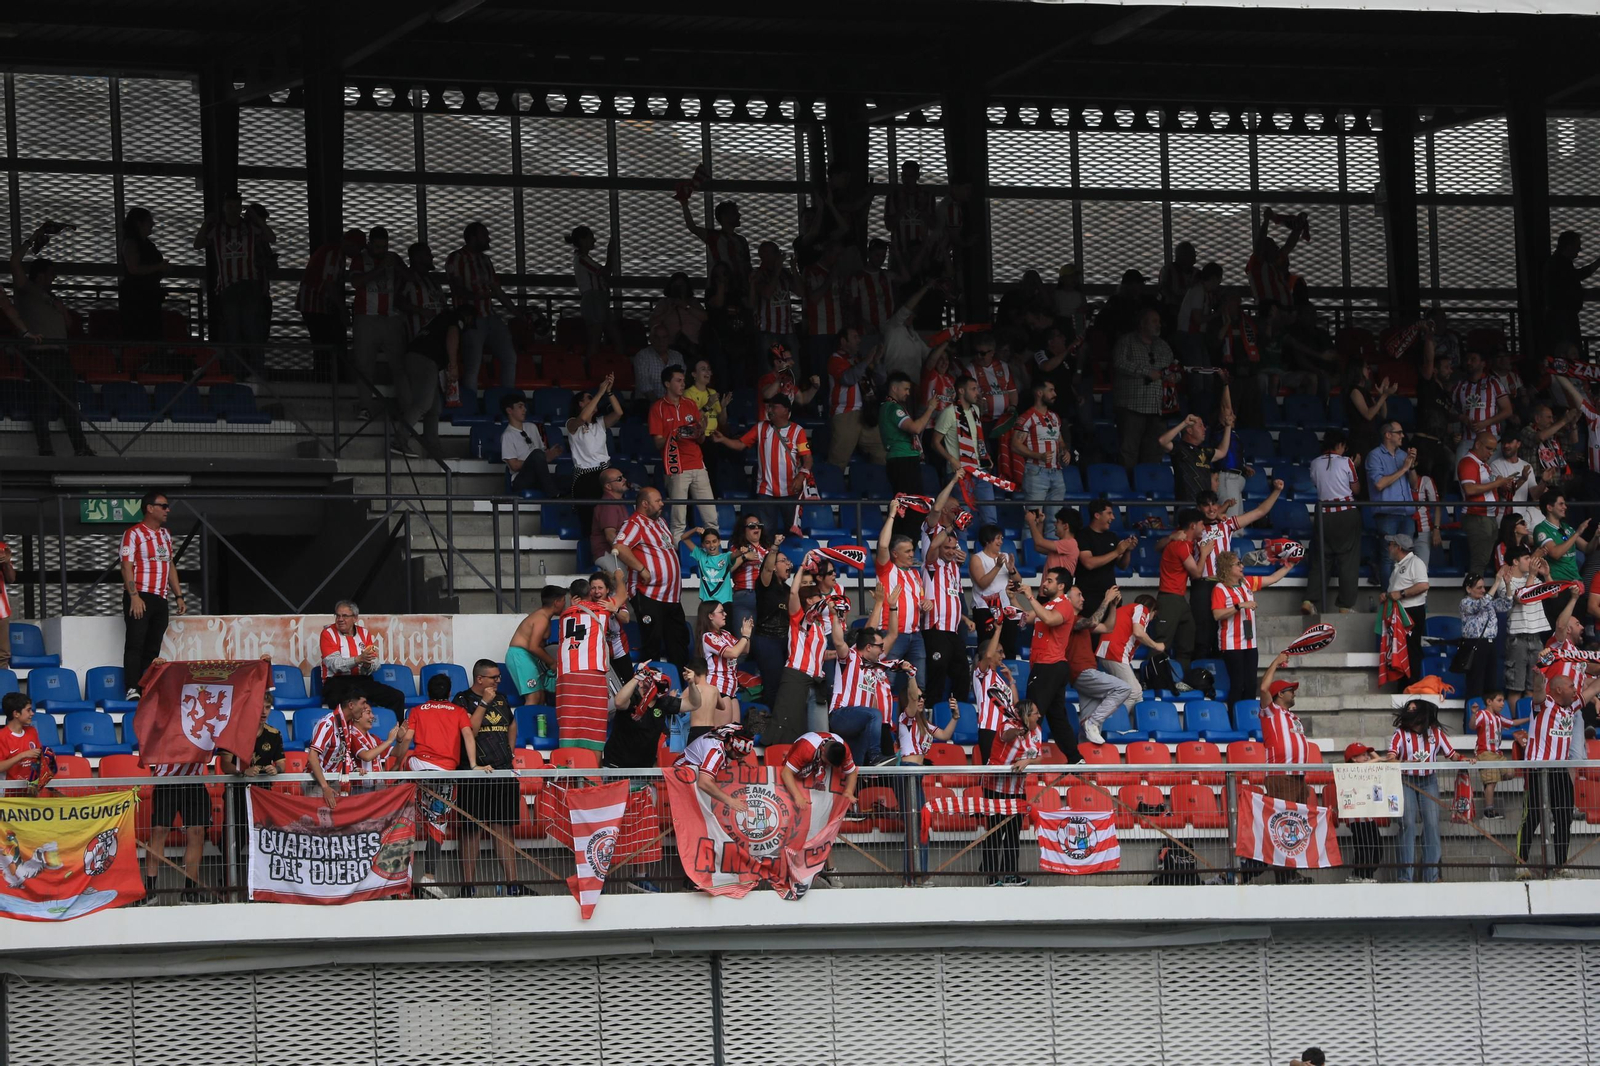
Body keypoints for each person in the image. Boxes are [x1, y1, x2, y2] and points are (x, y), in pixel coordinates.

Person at [10, 226, 93, 456]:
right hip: (40, 354)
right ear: (40, 275)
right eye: (50, 273)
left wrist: (63, 311)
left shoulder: (54, 298)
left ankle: (81, 448)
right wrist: (31, 240)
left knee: (69, 403)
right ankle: (45, 449)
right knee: (42, 402)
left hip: (61, 355)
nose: (54, 278)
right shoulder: (27, 290)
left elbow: (69, 326)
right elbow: (14, 263)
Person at [395, 673, 481, 897]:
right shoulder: (459, 711)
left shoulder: (417, 711)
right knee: (437, 825)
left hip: (418, 769)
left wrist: (396, 767)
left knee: (404, 821)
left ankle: (399, 878)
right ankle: (429, 876)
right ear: (449, 693)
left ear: (428, 692)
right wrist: (473, 765)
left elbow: (406, 740)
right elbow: (469, 737)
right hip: (445, 773)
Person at [1379, 698, 1471, 884]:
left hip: (1429, 781)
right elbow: (1390, 758)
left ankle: (1432, 876)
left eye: (1414, 710)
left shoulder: (1435, 733)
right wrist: (1404, 763)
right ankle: (1405, 877)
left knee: (1432, 825)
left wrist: (1466, 759)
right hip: (1406, 782)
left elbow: (1452, 754)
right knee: (1407, 824)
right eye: (1409, 709)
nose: (1410, 712)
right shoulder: (1400, 734)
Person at [1191, 485, 1284, 658]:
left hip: (1223, 584)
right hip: (1202, 585)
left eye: (1214, 504)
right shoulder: (1194, 528)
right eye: (1206, 505)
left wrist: (1277, 491)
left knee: (1223, 631)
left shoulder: (1226, 525)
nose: (1211, 508)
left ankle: (1220, 676)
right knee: (1202, 634)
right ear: (1198, 508)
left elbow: (1259, 512)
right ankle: (1200, 675)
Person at [453, 660, 520, 895]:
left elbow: (512, 724)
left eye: (499, 677)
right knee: (471, 830)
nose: (498, 681)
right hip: (475, 773)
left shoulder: (502, 698)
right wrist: (483, 703)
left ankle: (513, 884)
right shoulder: (461, 700)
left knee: (503, 829)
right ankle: (468, 886)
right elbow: (470, 731)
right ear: (480, 679)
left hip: (502, 770)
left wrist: (510, 752)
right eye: (494, 677)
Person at [714, 393, 812, 535]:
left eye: (774, 407)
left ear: (786, 410)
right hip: (766, 490)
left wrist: (802, 476)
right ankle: (767, 557)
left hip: (791, 490)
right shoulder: (760, 428)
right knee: (766, 532)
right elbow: (740, 444)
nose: (769, 410)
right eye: (769, 407)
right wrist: (723, 439)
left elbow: (807, 459)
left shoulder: (798, 431)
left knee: (792, 531)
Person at [193, 191, 274, 364]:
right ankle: (235, 373)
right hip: (228, 287)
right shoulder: (217, 230)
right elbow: (197, 244)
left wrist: (255, 218)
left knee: (252, 331)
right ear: (223, 208)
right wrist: (206, 222)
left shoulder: (249, 228)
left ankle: (255, 373)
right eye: (229, 206)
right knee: (233, 333)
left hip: (249, 285)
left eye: (236, 206)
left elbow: (271, 238)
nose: (232, 210)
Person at [554, 569, 629, 752]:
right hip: (591, 671)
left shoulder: (563, 616)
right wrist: (619, 578)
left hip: (566, 675)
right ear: (590, 594)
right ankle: (593, 776)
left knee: (569, 727)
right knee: (594, 729)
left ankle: (568, 774)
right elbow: (622, 594)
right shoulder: (601, 608)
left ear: (572, 596)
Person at [614, 487, 689, 670]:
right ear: (644, 504)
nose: (662, 504)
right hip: (648, 594)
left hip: (671, 597)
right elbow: (619, 547)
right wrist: (641, 569)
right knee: (652, 644)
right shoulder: (634, 524)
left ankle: (678, 687)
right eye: (658, 501)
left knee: (679, 643)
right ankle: (652, 692)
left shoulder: (661, 521)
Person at [769, 557, 842, 742]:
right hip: (796, 677)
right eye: (819, 596)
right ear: (809, 600)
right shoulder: (799, 618)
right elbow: (793, 594)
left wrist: (839, 652)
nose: (823, 599)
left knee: (821, 735)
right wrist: (802, 567)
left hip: (817, 683)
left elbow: (819, 655)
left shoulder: (818, 626)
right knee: (789, 731)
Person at [120, 490, 184, 699]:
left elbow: (170, 565)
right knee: (135, 642)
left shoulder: (165, 535)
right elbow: (126, 566)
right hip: (141, 595)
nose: (168, 510)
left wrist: (179, 595)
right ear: (150, 508)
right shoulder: (134, 533)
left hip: (160, 596)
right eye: (163, 506)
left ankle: (146, 686)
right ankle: (132, 688)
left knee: (154, 645)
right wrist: (134, 596)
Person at [1213, 551, 1295, 709]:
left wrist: (1289, 565)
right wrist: (1239, 606)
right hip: (1231, 644)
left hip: (1249, 643)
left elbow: (1272, 579)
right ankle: (1234, 721)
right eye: (1238, 564)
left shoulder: (1246, 583)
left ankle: (1248, 718)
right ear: (1227, 568)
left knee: (1250, 685)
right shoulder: (1220, 588)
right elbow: (1217, 614)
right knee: (1238, 685)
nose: (1242, 566)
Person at [1008, 568, 1077, 757]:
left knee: (1032, 713)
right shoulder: (1047, 605)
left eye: (1050, 581)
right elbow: (1026, 617)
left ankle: (1027, 756)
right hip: (1048, 665)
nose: (1045, 583)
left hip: (1049, 665)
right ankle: (1075, 758)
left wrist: (1030, 597)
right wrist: (1014, 599)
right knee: (1057, 717)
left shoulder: (1064, 604)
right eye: (1045, 580)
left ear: (1061, 586)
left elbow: (1049, 620)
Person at [445, 221, 520, 390]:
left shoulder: (486, 260)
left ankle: (508, 399)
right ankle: (470, 404)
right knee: (473, 364)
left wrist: (516, 312)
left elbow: (497, 290)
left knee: (510, 357)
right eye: (484, 235)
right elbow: (455, 287)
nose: (488, 239)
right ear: (472, 238)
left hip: (490, 316)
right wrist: (474, 297)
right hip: (471, 320)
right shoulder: (457, 258)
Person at [393, 302, 472, 460]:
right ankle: (398, 440)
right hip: (425, 359)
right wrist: (454, 365)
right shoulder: (456, 318)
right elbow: (453, 333)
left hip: (418, 358)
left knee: (434, 408)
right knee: (423, 404)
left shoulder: (439, 318)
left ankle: (433, 450)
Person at [1062, 580, 1133, 748]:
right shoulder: (1068, 619)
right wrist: (1106, 600)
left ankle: (1085, 766)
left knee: (1090, 734)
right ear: (1067, 599)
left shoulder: (1080, 620)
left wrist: (1113, 606)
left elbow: (1108, 628)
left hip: (1085, 672)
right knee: (1124, 688)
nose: (1083, 599)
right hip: (1082, 671)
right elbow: (1093, 622)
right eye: (1078, 595)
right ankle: (1093, 722)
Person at [649, 366, 717, 540]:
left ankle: (715, 558)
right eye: (678, 380)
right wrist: (675, 434)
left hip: (698, 464)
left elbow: (700, 440)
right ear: (667, 384)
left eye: (683, 380)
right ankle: (677, 558)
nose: (683, 384)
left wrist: (701, 431)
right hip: (676, 467)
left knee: (711, 518)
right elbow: (657, 443)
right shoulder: (658, 408)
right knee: (678, 520)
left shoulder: (690, 404)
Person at [981, 699, 1043, 887]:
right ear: (1025, 715)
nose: (1039, 716)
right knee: (994, 832)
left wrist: (1027, 762)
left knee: (1012, 834)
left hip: (1017, 790)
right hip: (995, 788)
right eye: (1035, 713)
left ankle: (1010, 874)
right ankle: (991, 876)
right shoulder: (1007, 725)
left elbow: (1039, 757)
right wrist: (1018, 732)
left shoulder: (1037, 732)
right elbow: (1005, 736)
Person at [1302, 430, 1361, 615]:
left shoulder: (1315, 463)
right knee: (1348, 560)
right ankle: (1345, 605)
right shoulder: (1346, 462)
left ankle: (1309, 600)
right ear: (1340, 445)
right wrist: (1355, 465)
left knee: (1320, 558)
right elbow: (1356, 489)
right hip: (1345, 513)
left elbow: (1316, 484)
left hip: (1323, 514)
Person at [872, 504, 928, 695]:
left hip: (916, 635)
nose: (912, 554)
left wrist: (926, 604)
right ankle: (887, 722)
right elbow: (882, 545)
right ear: (894, 554)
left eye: (913, 550)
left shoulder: (915, 574)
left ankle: (915, 723)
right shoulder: (887, 569)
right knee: (887, 681)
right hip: (890, 633)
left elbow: (921, 600)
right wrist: (892, 515)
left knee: (919, 685)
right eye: (907, 551)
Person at [829, 627, 904, 767]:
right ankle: (875, 755)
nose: (882, 650)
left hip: (860, 725)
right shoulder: (851, 656)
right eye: (880, 646)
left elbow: (872, 706)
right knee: (875, 714)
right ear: (868, 647)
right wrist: (834, 616)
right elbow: (839, 642)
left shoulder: (873, 669)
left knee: (856, 768)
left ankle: (856, 782)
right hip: (840, 715)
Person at [1151, 508, 1214, 672]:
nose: (1204, 528)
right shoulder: (1180, 544)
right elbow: (1197, 573)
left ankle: (1181, 677)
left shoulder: (1181, 538)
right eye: (1201, 524)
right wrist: (1205, 553)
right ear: (1193, 526)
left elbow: (1158, 546)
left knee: (1188, 636)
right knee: (1162, 642)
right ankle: (1153, 679)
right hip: (1169, 598)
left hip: (1179, 598)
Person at [348, 226, 408, 397]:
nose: (381, 251)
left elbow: (410, 277)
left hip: (391, 318)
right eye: (377, 247)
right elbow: (356, 282)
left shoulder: (393, 258)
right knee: (364, 365)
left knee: (400, 365)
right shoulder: (360, 258)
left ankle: (405, 406)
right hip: (366, 318)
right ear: (369, 244)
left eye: (385, 247)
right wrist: (381, 268)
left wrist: (397, 266)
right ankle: (365, 407)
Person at [317, 600, 404, 715]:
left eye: (345, 616)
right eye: (337, 615)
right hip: (336, 682)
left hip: (362, 680)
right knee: (343, 701)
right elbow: (334, 665)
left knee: (397, 697)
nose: (340, 619)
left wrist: (367, 665)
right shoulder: (328, 633)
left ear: (355, 618)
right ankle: (344, 732)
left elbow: (375, 662)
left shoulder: (364, 633)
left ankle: (396, 731)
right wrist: (358, 659)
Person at [1458, 431, 1525, 579]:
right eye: (1488, 448)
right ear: (1477, 444)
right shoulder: (1468, 462)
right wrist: (1497, 483)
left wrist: (1503, 484)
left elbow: (1495, 490)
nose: (1491, 453)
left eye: (1493, 450)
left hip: (1488, 517)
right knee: (1479, 561)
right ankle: (1473, 599)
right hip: (1477, 516)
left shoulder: (1484, 466)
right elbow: (1469, 489)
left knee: (1484, 560)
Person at [1112, 306, 1171, 473]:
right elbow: (1119, 363)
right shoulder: (1127, 341)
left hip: (1158, 406)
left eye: (1159, 322)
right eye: (1154, 321)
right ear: (1142, 324)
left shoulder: (1163, 345)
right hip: (1132, 404)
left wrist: (1174, 376)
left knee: (1155, 449)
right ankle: (1129, 484)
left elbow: (1173, 367)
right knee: (1129, 448)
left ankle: (1149, 483)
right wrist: (1146, 372)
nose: (1158, 325)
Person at [566, 378, 625, 547]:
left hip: (605, 473)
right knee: (591, 518)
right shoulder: (571, 423)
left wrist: (609, 392)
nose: (594, 400)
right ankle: (596, 555)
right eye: (588, 398)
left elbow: (619, 412)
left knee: (613, 515)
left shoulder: (600, 422)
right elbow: (583, 417)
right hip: (586, 476)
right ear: (579, 403)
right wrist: (600, 391)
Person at [880, 370, 937, 539]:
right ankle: (907, 548)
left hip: (901, 460)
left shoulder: (888, 407)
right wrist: (931, 408)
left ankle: (900, 547)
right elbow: (915, 428)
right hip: (903, 461)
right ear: (894, 388)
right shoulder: (893, 408)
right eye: (905, 389)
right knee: (914, 507)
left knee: (904, 507)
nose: (908, 393)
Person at [921, 520, 970, 705]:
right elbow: (933, 544)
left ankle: (959, 710)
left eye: (952, 547)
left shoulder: (955, 567)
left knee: (962, 670)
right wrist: (950, 527)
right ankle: (931, 708)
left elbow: (953, 598)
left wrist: (964, 618)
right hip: (935, 627)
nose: (950, 551)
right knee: (937, 668)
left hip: (953, 630)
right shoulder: (932, 565)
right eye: (946, 547)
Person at [296, 227, 364, 359]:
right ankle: (327, 374)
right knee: (325, 344)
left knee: (321, 344)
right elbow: (330, 284)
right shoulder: (334, 254)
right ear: (352, 245)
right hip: (315, 304)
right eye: (359, 247)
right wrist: (342, 308)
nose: (359, 252)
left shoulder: (333, 251)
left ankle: (324, 374)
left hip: (312, 303)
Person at [1533, 490, 1595, 628]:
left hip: (1575, 586)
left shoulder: (1567, 528)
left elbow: (1587, 548)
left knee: (1577, 631)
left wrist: (1596, 537)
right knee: (1560, 630)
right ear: (1549, 507)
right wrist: (1578, 532)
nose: (1565, 507)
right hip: (1558, 587)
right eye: (1561, 504)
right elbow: (1555, 553)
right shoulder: (1541, 529)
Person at [1366, 423, 1417, 591]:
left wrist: (1412, 466)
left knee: (1407, 557)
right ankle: (1388, 598)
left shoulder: (1404, 455)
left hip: (1406, 513)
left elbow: (1414, 485)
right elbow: (1379, 484)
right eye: (1399, 433)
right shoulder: (1374, 456)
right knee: (1388, 558)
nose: (1402, 436)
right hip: (1387, 513)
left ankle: (1405, 595)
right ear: (1388, 435)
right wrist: (1403, 468)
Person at [603, 662, 682, 769]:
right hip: (617, 766)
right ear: (641, 683)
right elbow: (618, 702)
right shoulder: (632, 697)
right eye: (652, 681)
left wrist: (691, 684)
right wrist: (637, 676)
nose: (655, 685)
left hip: (643, 769)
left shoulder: (663, 703)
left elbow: (694, 704)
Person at [826, 328, 886, 465]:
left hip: (866, 414)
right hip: (845, 414)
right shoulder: (835, 359)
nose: (859, 340)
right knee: (838, 461)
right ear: (843, 341)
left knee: (881, 451)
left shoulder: (858, 359)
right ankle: (832, 485)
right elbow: (848, 379)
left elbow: (881, 379)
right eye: (854, 337)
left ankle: (877, 484)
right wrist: (867, 360)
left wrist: (876, 361)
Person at [1095, 588, 1162, 712]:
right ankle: (1118, 725)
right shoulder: (1142, 609)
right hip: (1116, 652)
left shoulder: (1124, 610)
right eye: (1154, 615)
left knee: (1137, 693)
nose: (1151, 619)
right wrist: (1156, 645)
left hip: (1105, 652)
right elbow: (1138, 632)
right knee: (1132, 692)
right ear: (1152, 610)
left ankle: (1138, 725)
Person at [1502, 546, 1554, 705]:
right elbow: (1523, 598)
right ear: (1515, 561)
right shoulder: (1506, 581)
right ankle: (1516, 723)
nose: (1531, 561)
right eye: (1526, 558)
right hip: (1518, 639)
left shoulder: (1535, 579)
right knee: (1516, 687)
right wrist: (1532, 574)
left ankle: (1529, 723)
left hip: (1536, 637)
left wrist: (1547, 575)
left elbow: (1554, 593)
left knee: (1533, 687)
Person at [1074, 499, 1138, 619]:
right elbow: (1089, 563)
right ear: (1097, 515)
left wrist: (1127, 550)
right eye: (1109, 513)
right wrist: (1117, 551)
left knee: (1112, 635)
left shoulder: (1112, 536)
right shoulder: (1083, 535)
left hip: (1111, 597)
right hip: (1088, 598)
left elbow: (1123, 565)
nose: (1113, 517)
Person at [1470, 691, 1527, 820]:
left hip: (1497, 753)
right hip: (1485, 753)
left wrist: (1531, 717)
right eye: (1499, 700)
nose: (1503, 704)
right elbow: (1473, 726)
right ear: (1489, 702)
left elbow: (1513, 723)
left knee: (1510, 773)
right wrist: (1473, 714)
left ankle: (1489, 780)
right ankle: (1488, 811)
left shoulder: (1498, 717)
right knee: (1492, 782)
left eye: (1503, 701)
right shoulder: (1482, 714)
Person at [1382, 534, 1430, 686]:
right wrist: (1388, 596)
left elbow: (1423, 585)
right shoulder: (1399, 565)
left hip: (1411, 612)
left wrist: (1401, 594)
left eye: (1391, 544)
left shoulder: (1415, 562)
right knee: (1400, 649)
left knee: (1411, 650)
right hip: (1399, 613)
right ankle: (1403, 686)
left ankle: (1412, 686)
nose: (1388, 547)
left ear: (1398, 547)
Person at [506, 585, 566, 707]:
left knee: (541, 698)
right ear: (557, 602)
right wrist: (552, 662)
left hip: (529, 657)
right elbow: (533, 647)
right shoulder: (541, 618)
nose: (565, 605)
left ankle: (537, 727)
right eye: (564, 601)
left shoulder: (545, 617)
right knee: (533, 697)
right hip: (520, 655)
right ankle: (521, 726)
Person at [1457, 571, 1512, 703]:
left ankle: (1488, 719)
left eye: (1484, 587)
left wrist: (1508, 584)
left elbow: (1507, 604)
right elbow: (1480, 605)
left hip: (1490, 644)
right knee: (1475, 686)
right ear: (1468, 589)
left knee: (1490, 686)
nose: (1483, 590)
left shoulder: (1489, 602)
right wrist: (1497, 582)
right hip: (1474, 645)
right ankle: (1471, 720)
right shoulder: (1465, 602)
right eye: (1479, 588)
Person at [567, 225, 620, 360]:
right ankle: (593, 367)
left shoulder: (581, 259)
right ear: (583, 240)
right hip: (594, 300)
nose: (594, 241)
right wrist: (610, 253)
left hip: (597, 300)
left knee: (608, 335)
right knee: (596, 338)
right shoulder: (582, 259)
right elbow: (605, 272)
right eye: (591, 238)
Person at [1542, 230, 1600, 353]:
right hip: (1563, 319)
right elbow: (1575, 278)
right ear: (1569, 246)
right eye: (1577, 245)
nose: (1580, 249)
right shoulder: (1559, 264)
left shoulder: (1558, 263)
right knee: (1568, 350)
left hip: (1562, 317)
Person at [678, 725, 756, 815]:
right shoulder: (716, 752)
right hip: (682, 773)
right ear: (730, 745)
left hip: (696, 772)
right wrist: (731, 801)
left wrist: (741, 761)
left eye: (742, 755)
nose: (738, 757)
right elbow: (704, 783)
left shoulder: (736, 730)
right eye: (737, 755)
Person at [118, 206, 169, 340]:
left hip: (148, 295)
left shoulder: (146, 244)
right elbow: (133, 268)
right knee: (140, 333)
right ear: (138, 223)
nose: (152, 224)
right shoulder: (131, 243)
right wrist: (158, 267)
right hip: (137, 298)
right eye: (149, 221)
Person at [696, 600, 754, 717]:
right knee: (721, 733)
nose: (725, 614)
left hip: (731, 689)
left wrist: (747, 634)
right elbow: (733, 653)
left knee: (735, 732)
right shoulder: (709, 636)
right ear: (710, 616)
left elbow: (744, 650)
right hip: (718, 688)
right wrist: (745, 636)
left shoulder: (726, 634)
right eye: (721, 612)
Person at [1012, 379, 1066, 505]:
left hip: (1057, 472)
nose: (1055, 394)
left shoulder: (1055, 417)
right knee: (1034, 517)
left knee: (1055, 519)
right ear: (1039, 393)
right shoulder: (1026, 417)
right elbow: (1015, 446)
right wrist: (1038, 456)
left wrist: (1064, 451)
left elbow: (1060, 441)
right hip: (1036, 472)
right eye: (1051, 390)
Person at [499, 392, 563, 497]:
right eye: (520, 407)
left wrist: (549, 455)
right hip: (521, 479)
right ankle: (554, 494)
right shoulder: (507, 435)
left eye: (524, 406)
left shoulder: (532, 427)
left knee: (569, 480)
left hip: (539, 476)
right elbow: (514, 466)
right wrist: (535, 461)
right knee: (537, 454)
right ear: (509, 410)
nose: (525, 409)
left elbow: (541, 457)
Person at [970, 621, 1018, 762]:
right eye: (1000, 652)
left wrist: (1011, 681)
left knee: (1002, 774)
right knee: (992, 772)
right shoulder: (981, 673)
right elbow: (989, 656)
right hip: (990, 730)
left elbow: (1015, 703)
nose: (1003, 656)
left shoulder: (1000, 679)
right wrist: (998, 631)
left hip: (1006, 731)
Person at [1159, 412, 1228, 503]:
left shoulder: (1204, 451)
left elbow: (1222, 452)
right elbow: (1162, 441)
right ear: (1189, 430)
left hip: (1205, 506)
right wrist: (1184, 423)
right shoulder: (1179, 448)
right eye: (1200, 426)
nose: (1204, 429)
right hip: (1187, 505)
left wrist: (1228, 426)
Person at [1342, 743, 1385, 884]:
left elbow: (1382, 764)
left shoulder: (1368, 768)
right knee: (1364, 846)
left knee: (1377, 846)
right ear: (1354, 759)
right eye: (1363, 755)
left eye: (1367, 754)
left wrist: (1372, 754)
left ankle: (1365, 874)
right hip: (1357, 817)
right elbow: (1361, 768)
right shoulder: (1349, 771)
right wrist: (1376, 759)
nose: (1367, 757)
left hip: (1368, 815)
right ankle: (1359, 874)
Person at [632, 322, 687, 410]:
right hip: (648, 405)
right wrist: (662, 406)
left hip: (674, 405)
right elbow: (645, 387)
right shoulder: (642, 356)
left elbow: (682, 383)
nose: (661, 341)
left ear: (669, 339)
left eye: (664, 337)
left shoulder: (677, 356)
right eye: (657, 337)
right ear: (651, 339)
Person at [589, 468, 632, 575]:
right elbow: (610, 536)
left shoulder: (618, 502)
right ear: (608, 486)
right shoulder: (608, 504)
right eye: (619, 479)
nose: (625, 480)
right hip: (607, 553)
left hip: (617, 552)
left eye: (623, 476)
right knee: (623, 576)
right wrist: (629, 555)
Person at [684, 525, 736, 610]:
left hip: (725, 603)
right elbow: (684, 538)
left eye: (714, 541)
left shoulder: (726, 556)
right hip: (706, 604)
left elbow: (734, 555)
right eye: (707, 542)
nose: (711, 545)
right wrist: (695, 530)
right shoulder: (700, 555)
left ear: (719, 542)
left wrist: (740, 552)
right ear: (703, 544)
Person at [0, 693, 41, 783]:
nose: (32, 713)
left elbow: (38, 759)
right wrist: (22, 755)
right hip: (9, 793)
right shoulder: (2, 737)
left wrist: (34, 782)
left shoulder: (32, 731)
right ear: (16, 714)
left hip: (30, 790)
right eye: (28, 710)